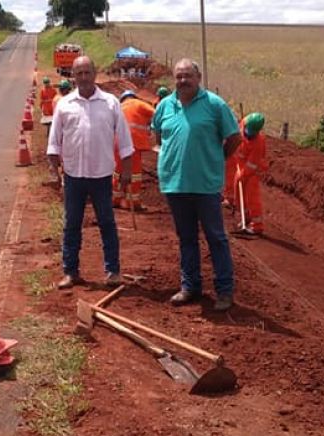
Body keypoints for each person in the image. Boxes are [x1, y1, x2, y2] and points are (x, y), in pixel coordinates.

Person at [151, 58, 241, 311]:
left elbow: (233, 137)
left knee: (216, 238)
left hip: (205, 185)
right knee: (186, 238)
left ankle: (224, 291)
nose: (183, 81)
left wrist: (218, 159)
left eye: (188, 76)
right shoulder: (165, 106)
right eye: (179, 76)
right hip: (175, 185)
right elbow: (158, 135)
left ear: (198, 77)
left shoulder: (214, 105)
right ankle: (190, 287)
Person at [47, 56, 134, 289]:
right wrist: (54, 172)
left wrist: (127, 170)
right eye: (79, 73)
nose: (83, 77)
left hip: (101, 175)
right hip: (74, 175)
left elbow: (125, 140)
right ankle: (70, 271)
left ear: (94, 74)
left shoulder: (110, 103)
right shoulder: (64, 105)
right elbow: (54, 141)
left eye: (87, 72)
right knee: (71, 224)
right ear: (72, 76)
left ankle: (113, 271)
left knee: (106, 222)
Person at [113, 89, 155, 211]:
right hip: (133, 143)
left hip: (116, 143)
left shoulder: (119, 106)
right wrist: (153, 127)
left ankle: (116, 199)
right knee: (134, 173)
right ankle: (132, 202)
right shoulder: (138, 103)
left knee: (118, 171)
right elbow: (157, 113)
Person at [234, 112, 267, 234]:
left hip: (252, 171)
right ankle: (245, 217)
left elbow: (252, 164)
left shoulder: (258, 143)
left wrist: (243, 174)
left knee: (252, 198)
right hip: (241, 165)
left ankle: (257, 226)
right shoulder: (243, 123)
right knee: (238, 192)